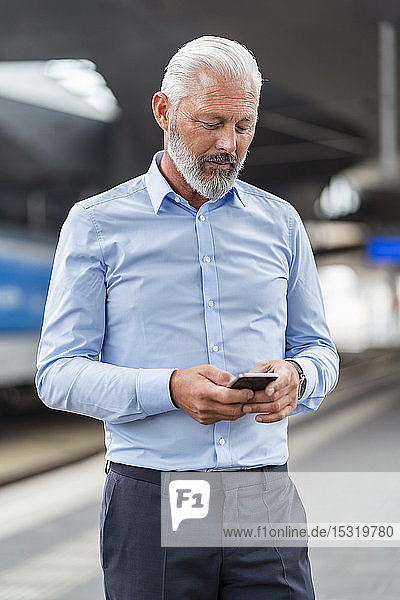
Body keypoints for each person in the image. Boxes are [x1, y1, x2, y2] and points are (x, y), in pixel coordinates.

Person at [36, 35, 339, 599]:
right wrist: (170, 389)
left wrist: (301, 379)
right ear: (163, 111)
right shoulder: (96, 225)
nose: (229, 143)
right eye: (211, 122)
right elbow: (57, 373)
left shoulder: (281, 224)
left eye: (244, 125)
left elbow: (320, 349)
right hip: (152, 498)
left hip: (260, 493)